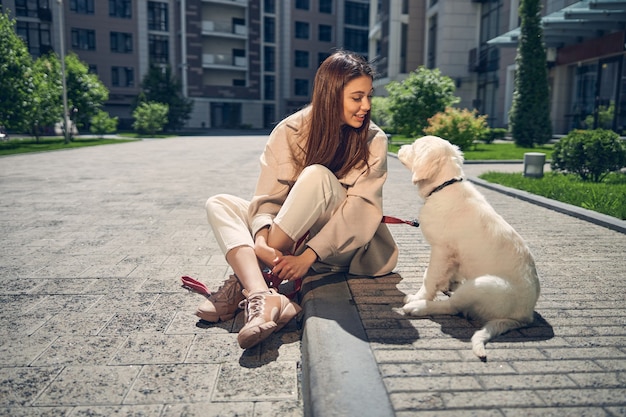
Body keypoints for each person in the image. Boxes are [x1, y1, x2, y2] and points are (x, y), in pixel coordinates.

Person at [196, 50, 398, 349]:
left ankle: (245, 283)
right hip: (291, 239)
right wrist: (261, 239)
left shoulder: (373, 139)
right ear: (331, 95)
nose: (366, 106)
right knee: (220, 202)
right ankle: (261, 295)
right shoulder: (290, 130)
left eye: (369, 96)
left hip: (340, 249)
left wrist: (308, 257)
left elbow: (362, 209)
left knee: (316, 175)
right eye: (357, 97)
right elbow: (269, 197)